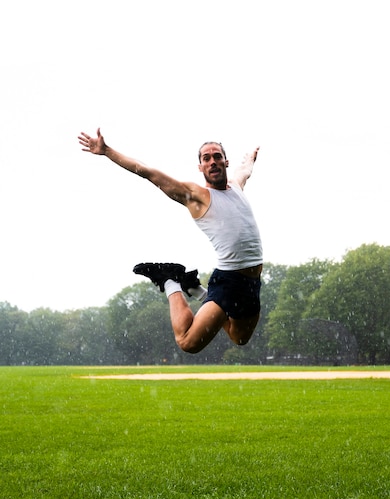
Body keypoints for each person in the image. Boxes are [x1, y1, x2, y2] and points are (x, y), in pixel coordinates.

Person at [78, 128, 263, 353]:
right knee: (187, 342)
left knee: (239, 337)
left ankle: (194, 289)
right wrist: (107, 151)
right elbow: (148, 172)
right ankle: (170, 281)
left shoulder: (236, 187)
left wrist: (250, 160)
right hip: (229, 280)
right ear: (201, 167)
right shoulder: (197, 196)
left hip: (251, 283)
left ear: (225, 162)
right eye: (206, 158)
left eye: (217, 157)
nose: (212, 161)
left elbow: (244, 171)